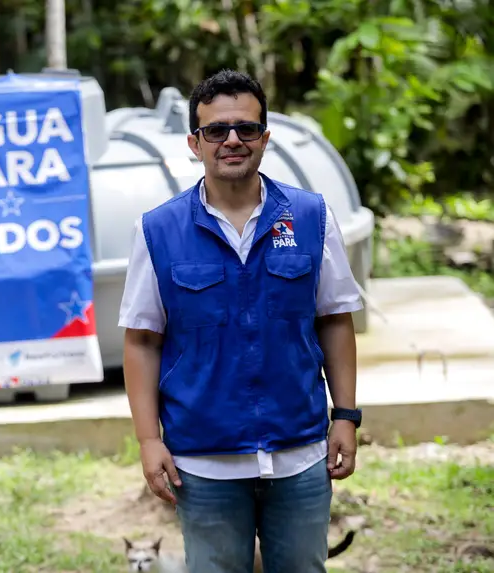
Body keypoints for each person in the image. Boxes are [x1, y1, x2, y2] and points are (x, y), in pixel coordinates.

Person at [118, 68, 364, 573]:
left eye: (246, 129)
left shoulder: (312, 218)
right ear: (195, 141)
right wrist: (149, 440)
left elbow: (335, 320)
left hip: (300, 452)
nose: (232, 140)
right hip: (203, 463)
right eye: (216, 130)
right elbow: (142, 341)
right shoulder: (158, 230)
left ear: (265, 138)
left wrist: (346, 415)